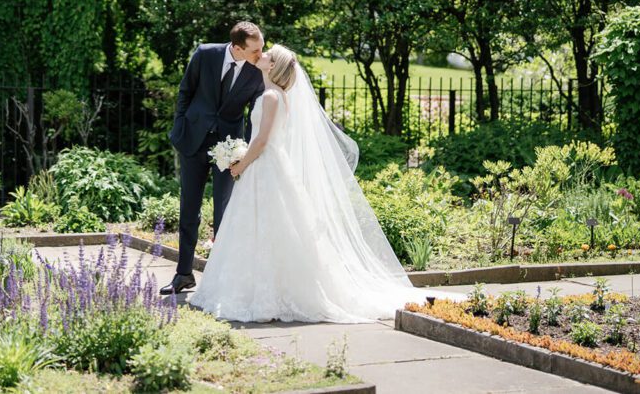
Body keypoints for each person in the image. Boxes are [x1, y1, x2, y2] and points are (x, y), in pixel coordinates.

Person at [189, 44, 457, 322]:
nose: (262, 54)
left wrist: (241, 163)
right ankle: (267, 290)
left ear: (273, 66)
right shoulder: (276, 95)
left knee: (265, 227)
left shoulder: (270, 96)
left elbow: (262, 140)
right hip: (267, 167)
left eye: (268, 54)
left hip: (264, 167)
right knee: (269, 228)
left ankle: (266, 295)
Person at [160, 22, 267, 296]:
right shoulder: (205, 54)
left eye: (262, 47)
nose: (261, 53)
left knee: (224, 213)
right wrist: (179, 128)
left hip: (229, 148)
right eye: (255, 49)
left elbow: (256, 115)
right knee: (189, 210)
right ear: (237, 47)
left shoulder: (257, 72)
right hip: (193, 141)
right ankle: (183, 275)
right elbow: (186, 91)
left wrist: (248, 153)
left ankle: (221, 281)